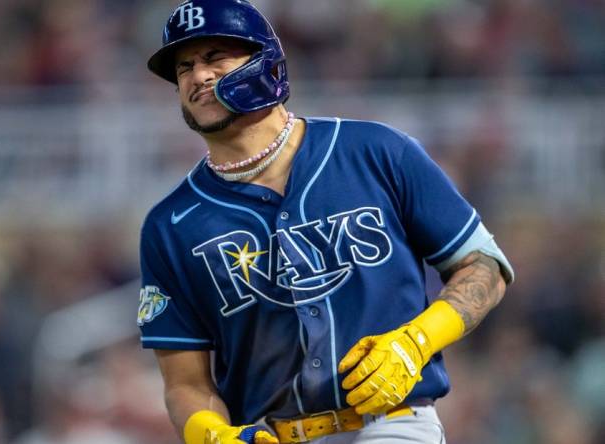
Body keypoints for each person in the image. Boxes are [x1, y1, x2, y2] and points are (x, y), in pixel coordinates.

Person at [137, 1, 514, 443]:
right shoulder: (171, 225)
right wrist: (212, 433)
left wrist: (418, 341)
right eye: (184, 68)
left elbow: (484, 265)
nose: (198, 76)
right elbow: (185, 383)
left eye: (215, 57)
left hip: (393, 423)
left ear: (265, 60)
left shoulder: (375, 151)